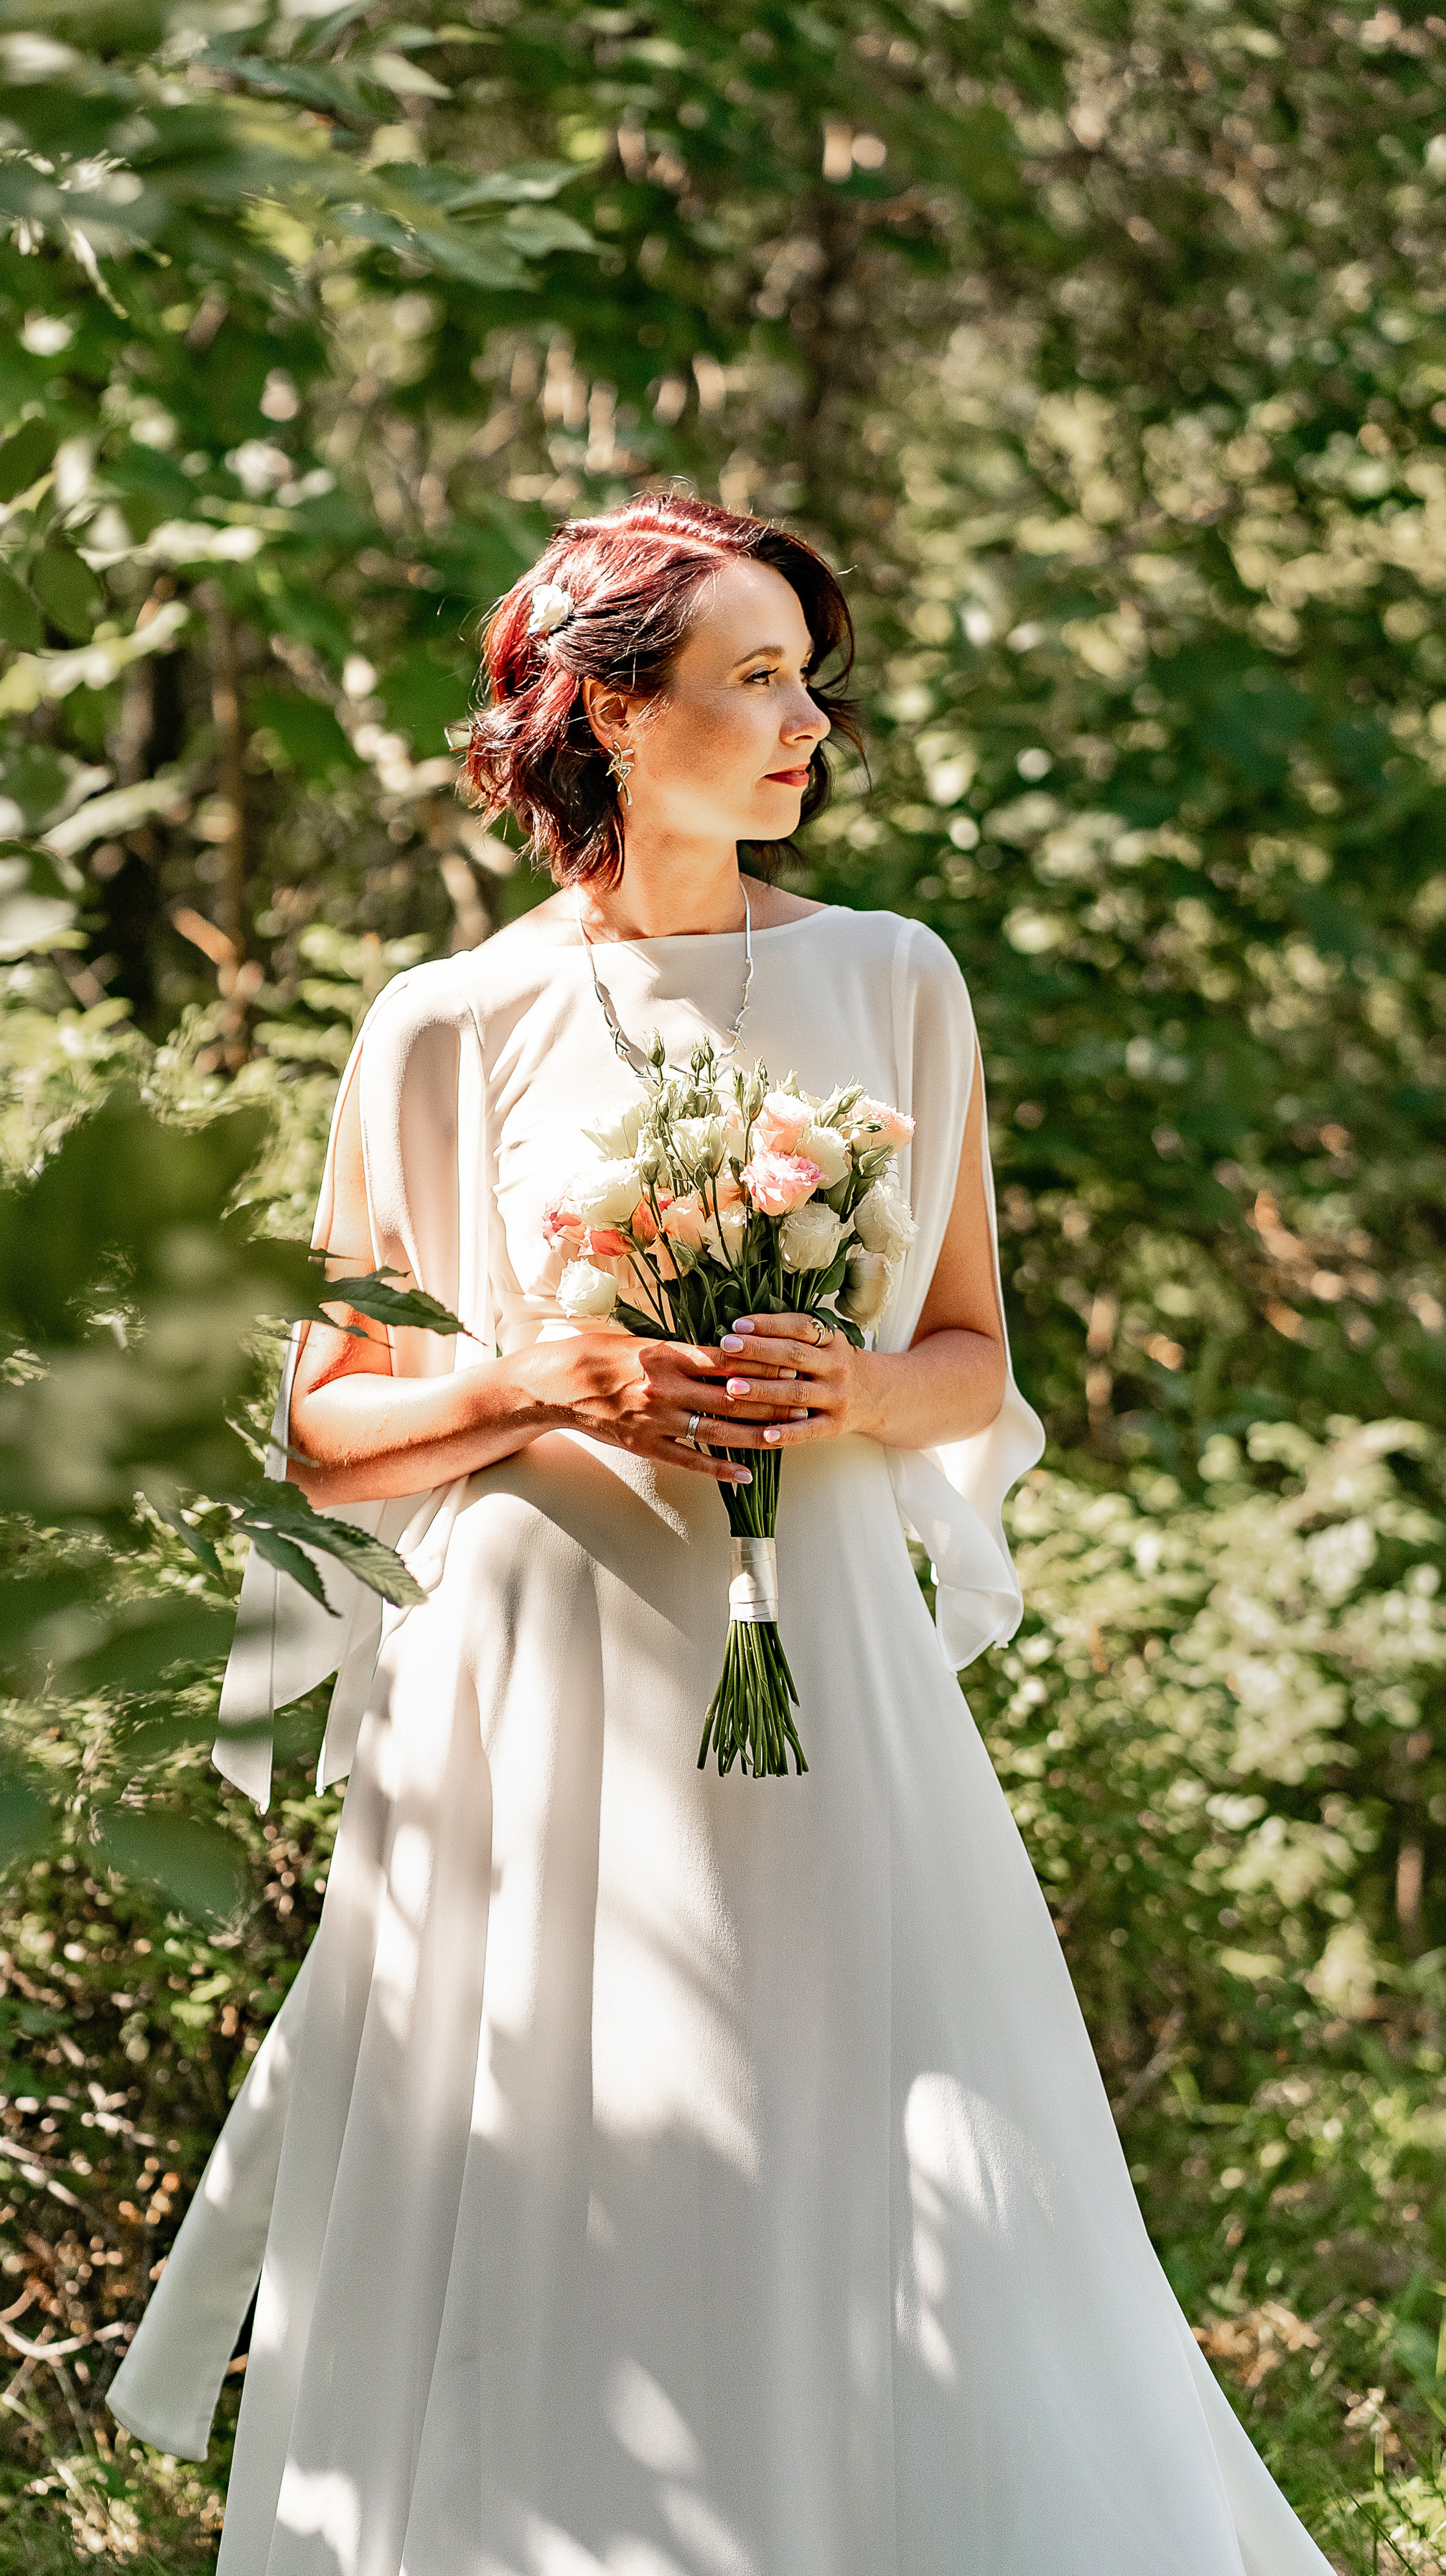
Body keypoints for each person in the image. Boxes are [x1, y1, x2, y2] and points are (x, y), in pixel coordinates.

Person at [108, 494, 1328, 2575]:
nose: (805, 723)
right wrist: (534, 1383)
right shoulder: (444, 1024)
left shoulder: (891, 978)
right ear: (604, 712)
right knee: (565, 2164)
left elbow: (971, 1362)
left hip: (818, 1659)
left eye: (804, 677)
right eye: (753, 678)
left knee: (901, 2134)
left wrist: (851, 1392)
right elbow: (326, 1432)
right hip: (541, 1688)